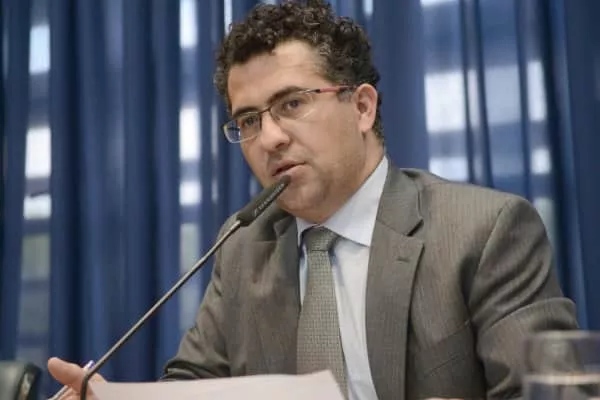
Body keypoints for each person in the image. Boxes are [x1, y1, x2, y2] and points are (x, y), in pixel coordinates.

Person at [48, 0, 578, 399]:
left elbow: (554, 393)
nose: (270, 138)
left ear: (362, 107)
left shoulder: (482, 231)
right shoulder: (243, 245)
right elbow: (195, 383)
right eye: (248, 120)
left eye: (292, 104)